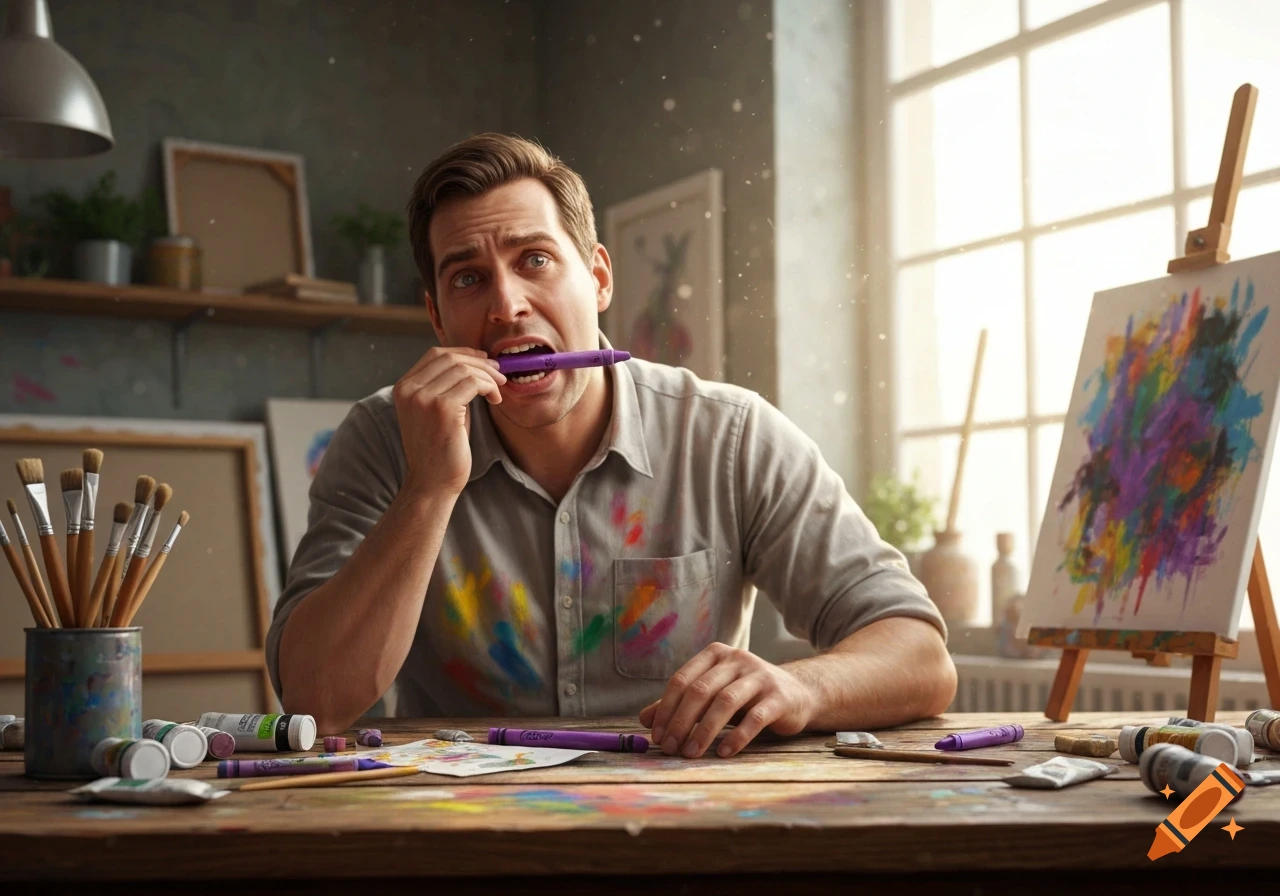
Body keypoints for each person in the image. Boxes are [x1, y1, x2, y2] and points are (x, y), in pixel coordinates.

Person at [267, 133, 956, 758]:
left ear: (597, 276)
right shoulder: (380, 439)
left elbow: (920, 656)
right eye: (468, 278)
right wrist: (427, 489)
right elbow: (315, 701)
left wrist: (802, 689)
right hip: (462, 830)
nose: (506, 305)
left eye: (534, 259)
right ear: (437, 315)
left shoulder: (731, 435)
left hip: (682, 821)